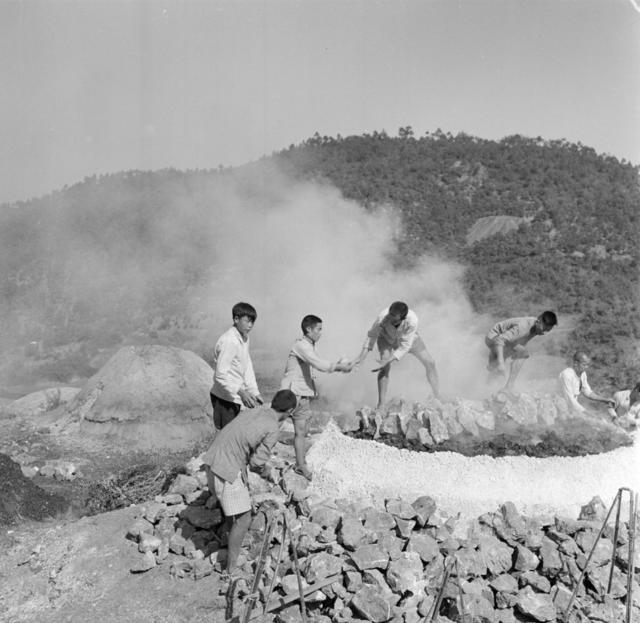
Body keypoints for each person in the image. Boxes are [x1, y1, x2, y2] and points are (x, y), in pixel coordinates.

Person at [201, 389, 297, 577]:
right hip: (226, 468)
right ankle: (231, 569)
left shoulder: (256, 411)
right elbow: (255, 464)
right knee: (244, 518)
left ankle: (230, 543)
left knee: (234, 511)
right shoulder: (272, 428)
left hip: (212, 459)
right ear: (290, 411)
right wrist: (267, 472)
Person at [280, 314, 352, 480]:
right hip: (290, 394)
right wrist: (339, 367)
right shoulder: (301, 345)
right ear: (309, 329)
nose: (321, 333)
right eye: (318, 329)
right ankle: (257, 458)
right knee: (272, 426)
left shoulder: (310, 347)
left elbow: (314, 369)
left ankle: (300, 465)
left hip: (303, 394)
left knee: (301, 431)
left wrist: (315, 389)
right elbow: (319, 365)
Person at [352, 301, 440, 409]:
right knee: (384, 367)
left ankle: (437, 395)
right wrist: (361, 357)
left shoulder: (412, 321)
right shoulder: (383, 317)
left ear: (402, 318)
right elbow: (371, 336)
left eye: (393, 316)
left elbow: (405, 346)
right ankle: (381, 404)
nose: (389, 317)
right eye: (390, 313)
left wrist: (390, 359)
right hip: (385, 338)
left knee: (430, 362)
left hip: (407, 339)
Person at [210, 302, 263, 430]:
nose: (250, 326)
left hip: (235, 397)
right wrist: (241, 392)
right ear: (236, 319)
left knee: (235, 436)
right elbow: (220, 375)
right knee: (226, 437)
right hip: (224, 398)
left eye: (252, 322)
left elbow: (247, 364)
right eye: (247, 321)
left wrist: (253, 391)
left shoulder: (244, 337)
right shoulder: (230, 341)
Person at [485, 311, 558, 394]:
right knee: (522, 354)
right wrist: (501, 363)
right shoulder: (522, 327)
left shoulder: (535, 326)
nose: (544, 332)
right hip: (494, 338)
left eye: (547, 330)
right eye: (544, 329)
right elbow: (500, 340)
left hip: (505, 341)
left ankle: (487, 390)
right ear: (539, 321)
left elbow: (518, 341)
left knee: (496, 370)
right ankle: (507, 387)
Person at [558, 351, 614, 415]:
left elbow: (588, 392)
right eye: (584, 365)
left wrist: (605, 400)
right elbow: (570, 400)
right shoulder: (566, 375)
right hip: (560, 408)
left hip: (572, 409)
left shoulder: (582, 374)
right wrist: (586, 413)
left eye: (587, 365)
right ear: (576, 363)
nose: (586, 367)